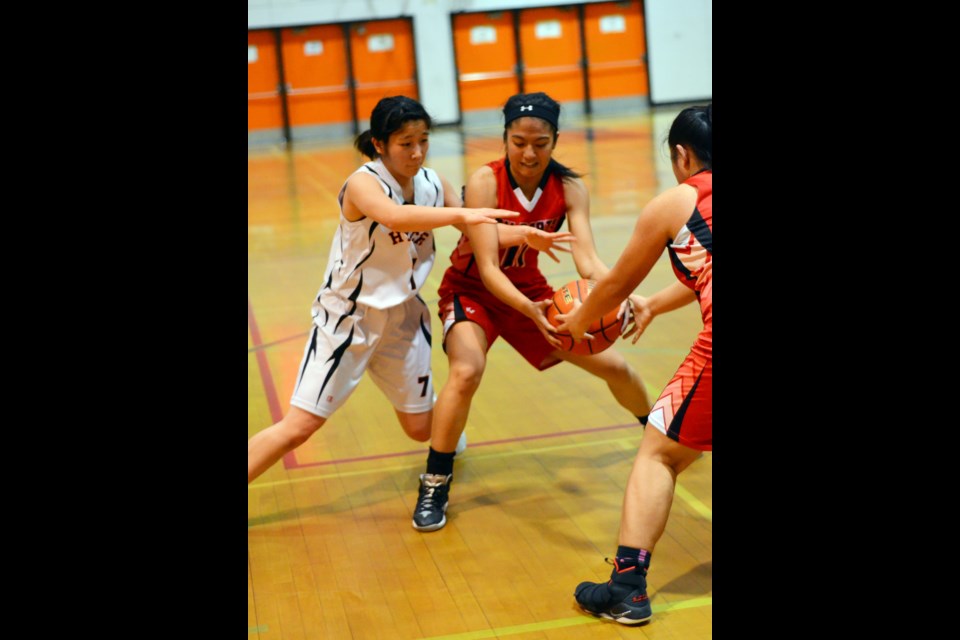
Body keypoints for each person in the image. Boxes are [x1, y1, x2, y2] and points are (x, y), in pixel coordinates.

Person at [410, 92, 653, 531]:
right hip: (474, 292)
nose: (528, 152)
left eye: (540, 143)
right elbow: (486, 267)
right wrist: (529, 309)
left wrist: (622, 291)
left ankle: (659, 437)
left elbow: (588, 261)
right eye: (518, 141)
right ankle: (435, 482)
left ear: (555, 140)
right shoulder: (485, 180)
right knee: (467, 371)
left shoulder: (570, 188)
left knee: (617, 368)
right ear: (505, 138)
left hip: (534, 295)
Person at [247, 96, 518, 484]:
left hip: (403, 318)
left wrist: (524, 234)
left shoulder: (432, 183)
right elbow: (395, 215)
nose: (417, 152)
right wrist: (462, 212)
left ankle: (446, 436)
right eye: (406, 143)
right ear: (379, 144)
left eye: (423, 140)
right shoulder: (362, 183)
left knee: (420, 428)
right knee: (300, 426)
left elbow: (476, 230)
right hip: (346, 320)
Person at [556, 103, 712, 625]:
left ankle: (627, 588)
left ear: (681, 155)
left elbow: (616, 283)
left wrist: (578, 321)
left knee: (659, 453)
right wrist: (653, 305)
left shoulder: (677, 201)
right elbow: (700, 269)